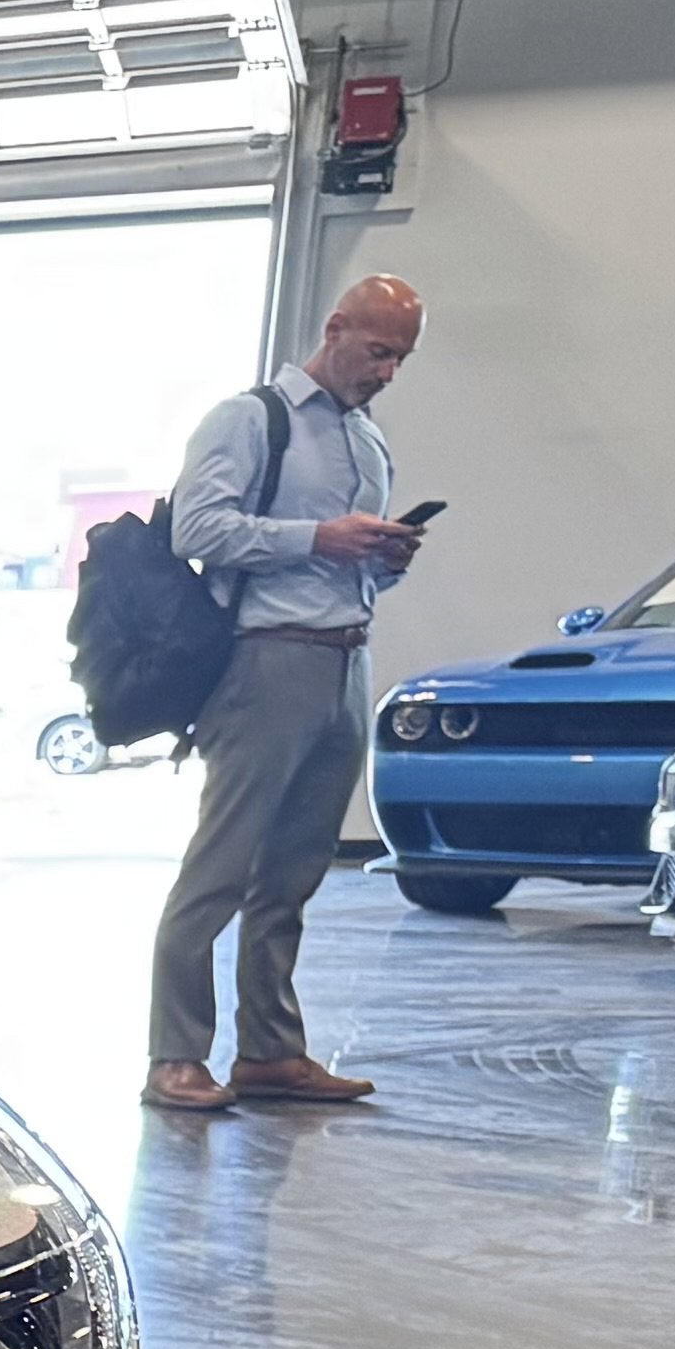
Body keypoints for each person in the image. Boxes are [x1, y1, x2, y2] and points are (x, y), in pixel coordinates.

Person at [146, 275, 426, 1114]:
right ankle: (174, 1056)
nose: (388, 372)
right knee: (221, 867)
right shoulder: (250, 419)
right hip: (266, 659)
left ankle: (269, 1052)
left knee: (295, 872)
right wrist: (319, 538)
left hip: (346, 661)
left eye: (402, 359)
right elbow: (197, 528)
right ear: (335, 328)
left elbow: (344, 562)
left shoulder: (366, 440)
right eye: (379, 351)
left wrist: (382, 558)